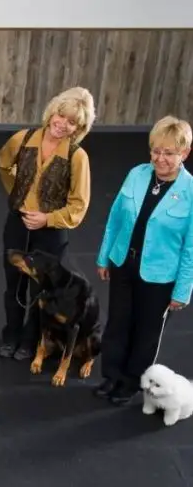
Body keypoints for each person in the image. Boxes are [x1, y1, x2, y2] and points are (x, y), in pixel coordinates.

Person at [95, 115, 193, 405]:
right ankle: (111, 375)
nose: (160, 159)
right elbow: (114, 219)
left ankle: (131, 382)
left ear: (184, 153)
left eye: (169, 153)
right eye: (156, 151)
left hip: (160, 276)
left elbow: (190, 249)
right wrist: (104, 257)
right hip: (124, 263)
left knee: (146, 332)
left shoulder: (190, 191)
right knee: (118, 323)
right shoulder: (136, 174)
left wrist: (182, 290)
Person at [0, 86, 95, 360]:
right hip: (17, 224)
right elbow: (3, 164)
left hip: (50, 235)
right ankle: (11, 334)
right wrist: (18, 195)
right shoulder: (23, 138)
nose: (62, 124)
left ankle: (30, 340)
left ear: (78, 127)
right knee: (13, 283)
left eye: (72, 122)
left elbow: (79, 205)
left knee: (43, 292)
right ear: (52, 112)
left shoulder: (77, 157)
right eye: (60, 116)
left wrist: (47, 218)